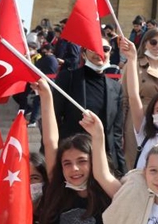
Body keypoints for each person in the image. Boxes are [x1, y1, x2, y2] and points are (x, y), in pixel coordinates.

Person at [35, 78, 114, 224]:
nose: (74, 168)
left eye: (82, 161)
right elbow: (50, 142)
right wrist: (46, 96)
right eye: (67, 163)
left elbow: (103, 175)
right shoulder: (57, 190)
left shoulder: (109, 194)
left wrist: (98, 136)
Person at [53, 37, 126, 173]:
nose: (99, 52)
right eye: (93, 48)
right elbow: (54, 119)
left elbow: (116, 133)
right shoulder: (68, 78)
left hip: (104, 159)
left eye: (105, 49)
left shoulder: (116, 88)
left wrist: (121, 168)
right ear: (83, 53)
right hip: (74, 158)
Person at [121, 30, 158, 169]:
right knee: (136, 162)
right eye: (153, 42)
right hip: (138, 118)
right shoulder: (133, 65)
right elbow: (124, 98)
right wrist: (120, 131)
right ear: (145, 43)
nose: (157, 46)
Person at [0, 152, 48, 224]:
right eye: (21, 178)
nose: (27, 183)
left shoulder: (52, 212)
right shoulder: (5, 212)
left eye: (34, 178)